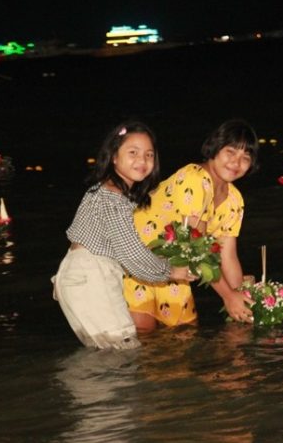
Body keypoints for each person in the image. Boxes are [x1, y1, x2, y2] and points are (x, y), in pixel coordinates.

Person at [51, 121, 196, 350]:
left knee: (105, 353)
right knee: (123, 350)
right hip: (91, 275)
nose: (142, 160)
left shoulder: (103, 191)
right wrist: (171, 271)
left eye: (149, 154)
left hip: (80, 275)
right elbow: (132, 254)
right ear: (113, 157)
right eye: (133, 152)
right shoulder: (112, 197)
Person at [123, 118, 259, 332]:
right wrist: (228, 295)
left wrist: (241, 297)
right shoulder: (195, 178)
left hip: (175, 271)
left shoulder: (234, 200)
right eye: (231, 152)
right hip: (138, 259)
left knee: (183, 337)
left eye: (245, 157)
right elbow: (196, 247)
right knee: (144, 336)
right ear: (215, 148)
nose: (236, 162)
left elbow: (228, 255)